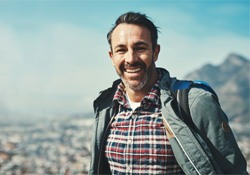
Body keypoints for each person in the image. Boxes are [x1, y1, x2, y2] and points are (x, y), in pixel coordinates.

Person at [89, 11, 248, 174]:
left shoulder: (194, 103)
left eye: (140, 48)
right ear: (112, 57)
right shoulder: (105, 109)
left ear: (155, 52)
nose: (131, 58)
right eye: (121, 50)